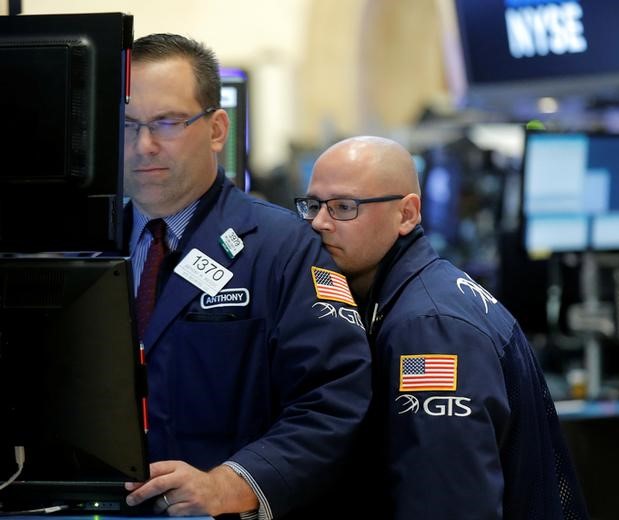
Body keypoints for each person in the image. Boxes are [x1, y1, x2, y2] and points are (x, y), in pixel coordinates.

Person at [122, 34, 371, 519]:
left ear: (218, 130)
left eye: (166, 123)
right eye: (127, 125)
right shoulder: (86, 248)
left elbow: (336, 398)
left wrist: (233, 483)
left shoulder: (284, 248)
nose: (143, 145)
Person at [297, 136, 589, 519]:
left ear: (407, 214)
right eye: (313, 206)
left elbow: (447, 503)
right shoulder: (415, 297)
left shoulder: (428, 330)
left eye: (343, 207)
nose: (320, 222)